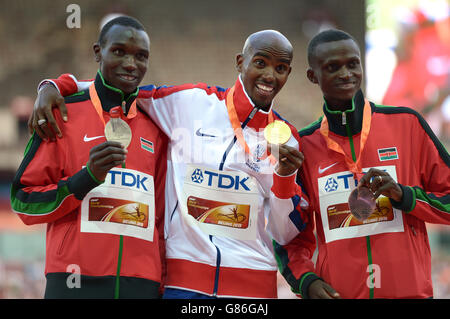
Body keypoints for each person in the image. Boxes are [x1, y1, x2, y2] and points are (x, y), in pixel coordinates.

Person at [28, 29, 309, 298]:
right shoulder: (190, 102)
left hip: (252, 286)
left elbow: (284, 233)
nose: (269, 75)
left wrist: (284, 177)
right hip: (184, 283)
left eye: (280, 68)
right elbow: (120, 89)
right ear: (240, 61)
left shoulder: (288, 140)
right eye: (260, 63)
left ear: (288, 74)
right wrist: (56, 85)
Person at [274, 29, 450, 299]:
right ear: (313, 76)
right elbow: (287, 235)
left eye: (352, 64)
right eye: (333, 67)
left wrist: (404, 195)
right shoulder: (304, 146)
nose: (346, 74)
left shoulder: (407, 124)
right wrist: (306, 282)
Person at [10, 16, 168, 298]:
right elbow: (23, 200)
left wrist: (160, 281)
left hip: (141, 283)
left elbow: (159, 217)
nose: (131, 64)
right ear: (98, 52)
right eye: (119, 51)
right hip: (73, 280)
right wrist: (85, 180)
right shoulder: (61, 114)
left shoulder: (157, 125)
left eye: (140, 56)